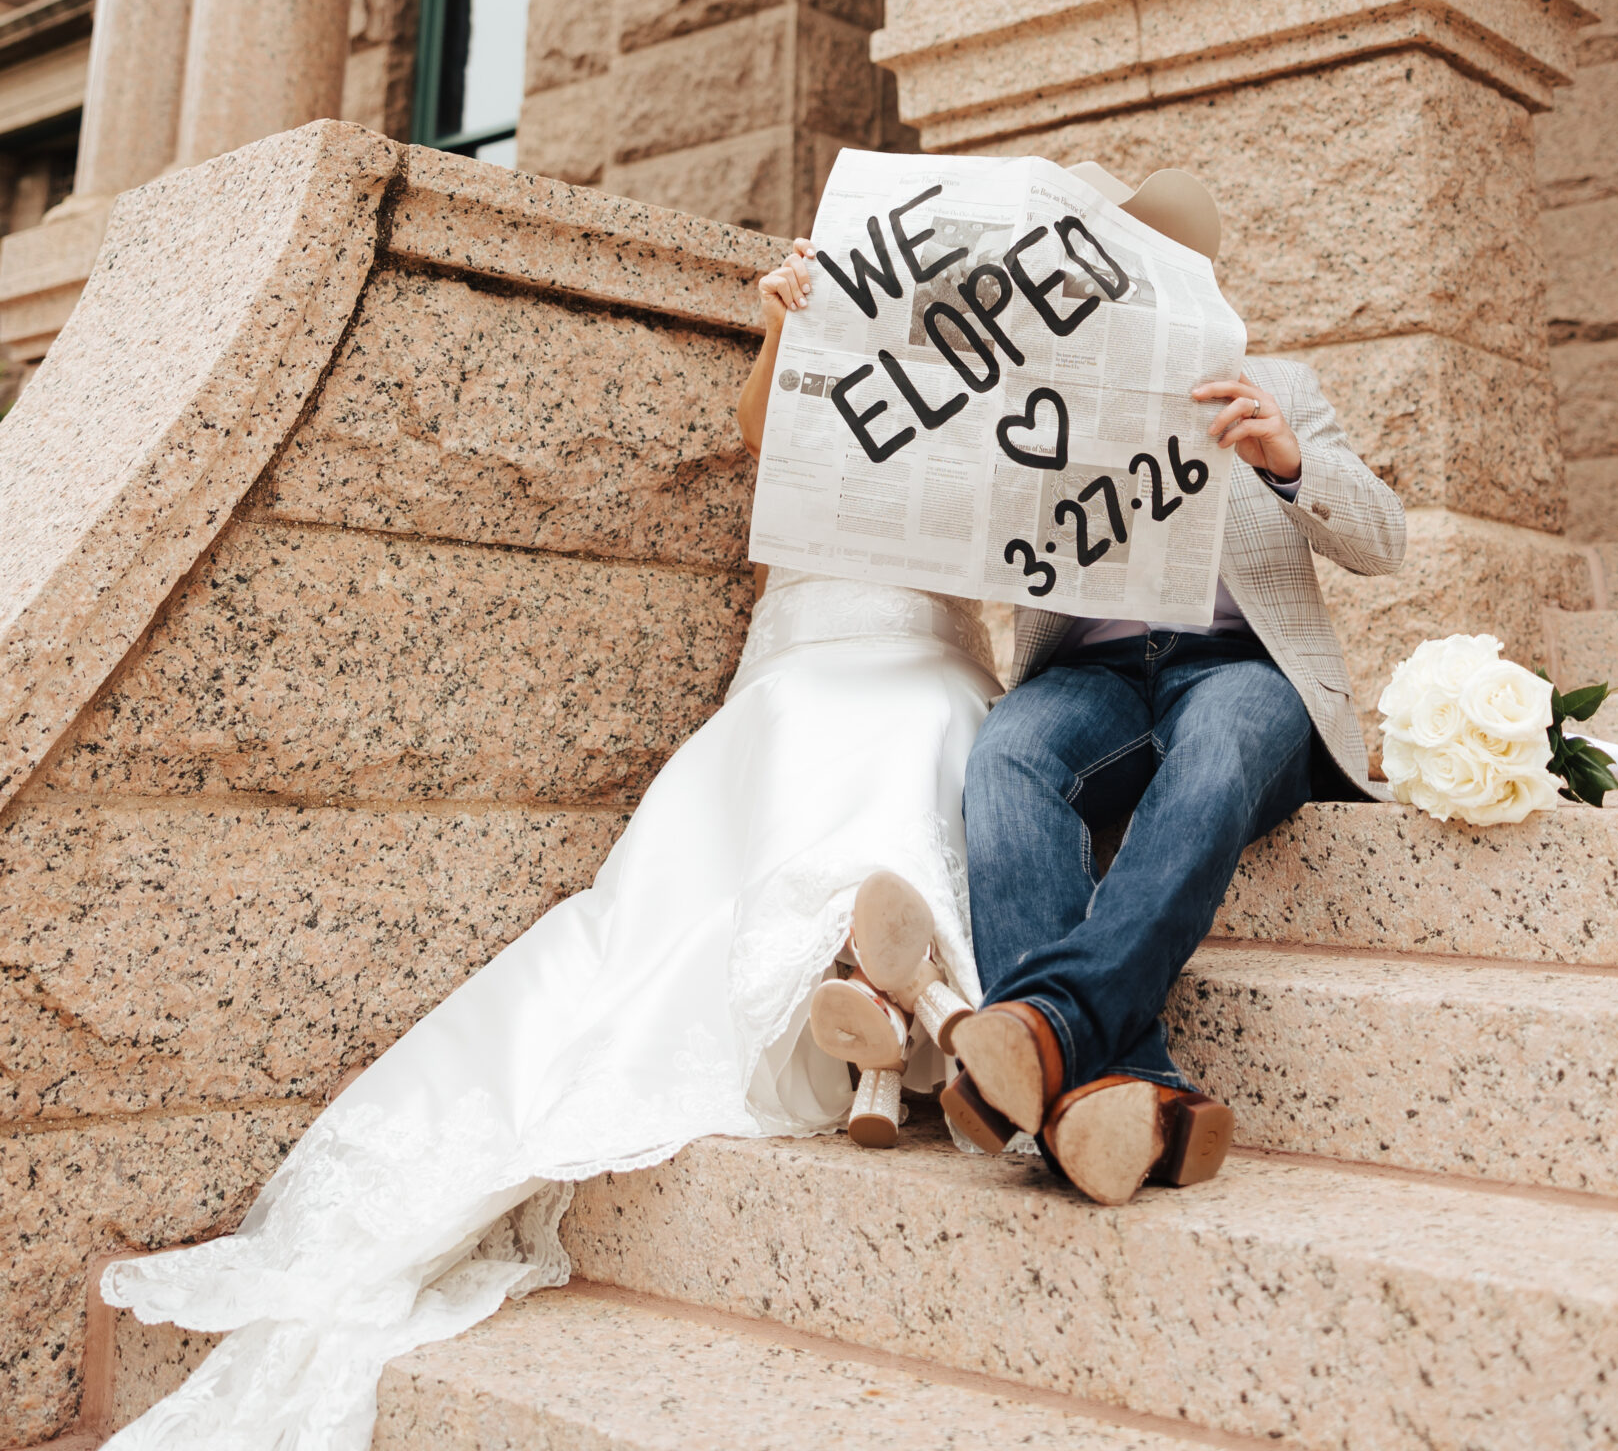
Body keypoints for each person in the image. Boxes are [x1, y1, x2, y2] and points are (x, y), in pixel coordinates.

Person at [99, 239, 999, 1451]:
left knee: (929, 733)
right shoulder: (819, 352)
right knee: (797, 769)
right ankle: (897, 1012)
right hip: (804, 662)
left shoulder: (1001, 405)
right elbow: (757, 439)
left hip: (934, 659)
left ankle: (884, 1017)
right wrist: (788, 323)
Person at [946, 173, 1405, 1208]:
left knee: (1229, 737)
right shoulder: (1035, 404)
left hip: (1241, 669)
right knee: (1009, 751)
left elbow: (1385, 540)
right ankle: (1128, 1085)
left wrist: (1286, 459)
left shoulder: (1276, 380)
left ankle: (1043, 1029)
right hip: (1093, 676)